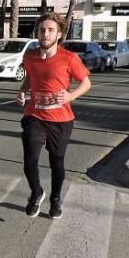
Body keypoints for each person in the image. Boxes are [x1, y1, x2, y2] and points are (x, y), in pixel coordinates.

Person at [15, 13, 91, 219]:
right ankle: (36, 192)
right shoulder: (29, 56)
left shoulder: (69, 58)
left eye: (50, 30)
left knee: (56, 160)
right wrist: (22, 90)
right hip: (34, 115)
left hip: (61, 119)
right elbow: (30, 76)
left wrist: (70, 95)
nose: (45, 34)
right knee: (30, 159)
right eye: (42, 30)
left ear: (58, 35)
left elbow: (86, 83)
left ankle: (55, 198)